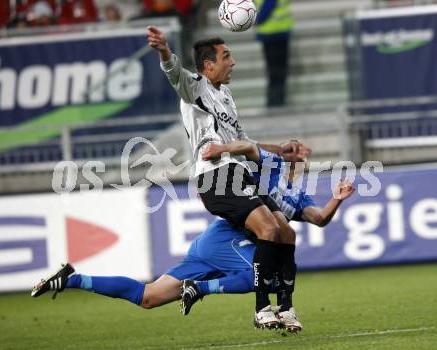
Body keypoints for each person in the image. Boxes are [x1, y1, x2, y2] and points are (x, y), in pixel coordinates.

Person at [30, 141, 355, 333]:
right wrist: (279, 148)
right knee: (268, 277)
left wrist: (338, 198)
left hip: (212, 245)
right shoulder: (261, 171)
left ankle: (72, 279)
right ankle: (200, 288)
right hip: (225, 238)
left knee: (149, 297)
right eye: (292, 154)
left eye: (299, 156)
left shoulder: (296, 196)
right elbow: (245, 147)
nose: (295, 159)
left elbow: (320, 219)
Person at [146, 25, 300, 329]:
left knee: (285, 231)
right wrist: (164, 49)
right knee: (268, 229)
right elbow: (174, 71)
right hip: (215, 177)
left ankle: (285, 307)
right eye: (226, 56)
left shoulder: (226, 96)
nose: (233, 62)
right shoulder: (195, 89)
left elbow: (243, 140)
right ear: (208, 65)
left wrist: (280, 150)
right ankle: (261, 308)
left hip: (237, 174)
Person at [254, 0, 293, 107]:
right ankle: (277, 100)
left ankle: (275, 100)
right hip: (279, 30)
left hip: (271, 31)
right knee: (278, 70)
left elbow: (268, 4)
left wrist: (257, 19)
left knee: (275, 70)